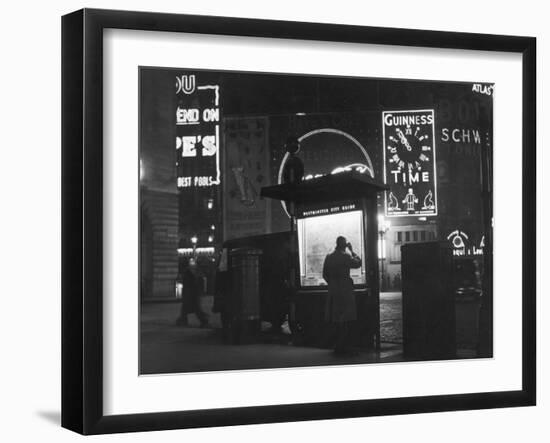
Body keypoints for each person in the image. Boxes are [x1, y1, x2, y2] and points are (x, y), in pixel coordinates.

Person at [322, 236, 362, 355]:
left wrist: (333, 284)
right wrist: (352, 250)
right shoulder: (346, 256)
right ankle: (343, 345)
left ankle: (338, 345)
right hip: (345, 290)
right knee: (345, 319)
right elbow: (358, 263)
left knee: (336, 319)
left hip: (333, 291)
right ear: (344, 245)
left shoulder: (329, 257)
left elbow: (324, 274)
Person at [176, 257, 209, 328]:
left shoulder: (189, 273)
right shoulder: (192, 272)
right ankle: (183, 320)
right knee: (188, 308)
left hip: (191, 294)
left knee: (195, 309)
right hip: (192, 293)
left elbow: (190, 284)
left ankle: (204, 320)